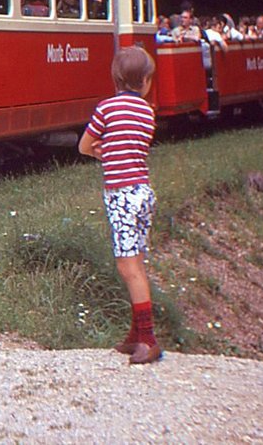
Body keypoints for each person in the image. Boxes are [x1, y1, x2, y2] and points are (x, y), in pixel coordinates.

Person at [78, 46, 162, 365]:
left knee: (128, 267)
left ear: (116, 78)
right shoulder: (147, 111)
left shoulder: (107, 109)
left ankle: (149, 339)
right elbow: (134, 145)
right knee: (136, 265)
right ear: (143, 81)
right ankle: (136, 334)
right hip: (143, 192)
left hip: (122, 195)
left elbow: (85, 146)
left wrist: (102, 152)